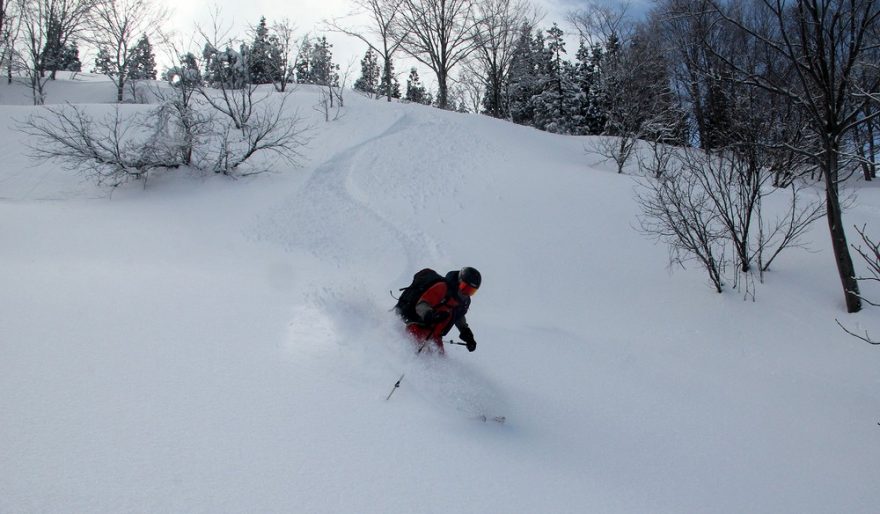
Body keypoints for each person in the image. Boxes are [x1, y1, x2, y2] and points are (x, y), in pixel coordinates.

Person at [405, 267, 481, 354]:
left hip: (435, 336)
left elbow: (459, 316)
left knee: (440, 359)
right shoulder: (442, 288)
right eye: (465, 288)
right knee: (414, 354)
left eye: (471, 291)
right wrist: (430, 315)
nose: (466, 293)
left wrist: (467, 335)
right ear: (459, 281)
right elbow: (422, 304)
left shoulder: (464, 301)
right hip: (418, 326)